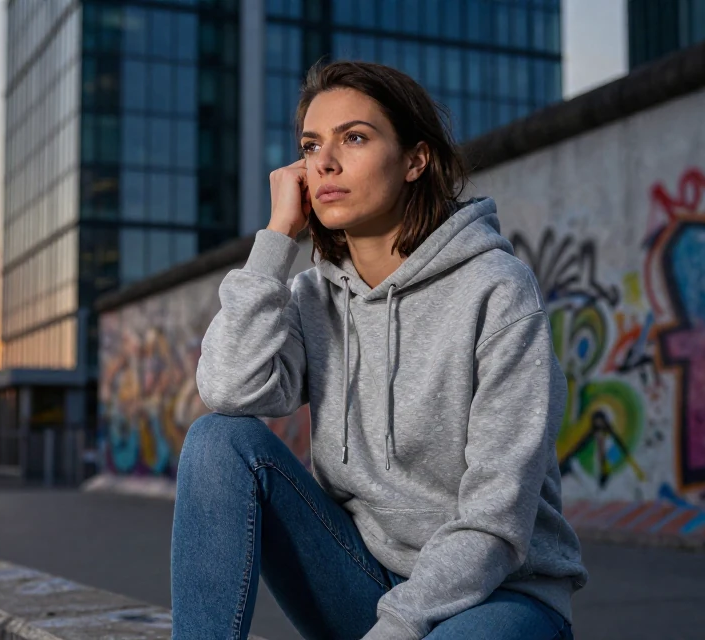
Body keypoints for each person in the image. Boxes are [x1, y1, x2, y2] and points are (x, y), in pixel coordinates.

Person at [172, 60, 588, 640]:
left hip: (500, 597)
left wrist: (397, 628)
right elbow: (229, 390)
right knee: (218, 440)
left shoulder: (495, 289)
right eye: (311, 146)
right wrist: (274, 243)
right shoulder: (312, 294)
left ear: (416, 160)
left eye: (355, 138)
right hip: (360, 581)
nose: (326, 163)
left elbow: (495, 521)